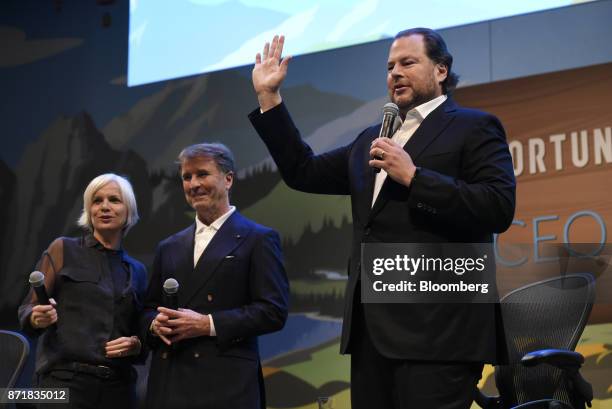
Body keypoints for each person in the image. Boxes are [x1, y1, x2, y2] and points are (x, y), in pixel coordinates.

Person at [249, 29, 516, 409]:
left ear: (441, 70)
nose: (395, 72)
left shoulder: (473, 127)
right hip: (372, 333)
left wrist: (415, 177)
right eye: (390, 66)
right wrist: (269, 97)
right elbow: (302, 171)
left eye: (408, 62)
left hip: (439, 330)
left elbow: (498, 206)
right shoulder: (369, 141)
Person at [142, 143, 289, 409]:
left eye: (202, 174)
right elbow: (148, 309)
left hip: (227, 387)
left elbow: (273, 311)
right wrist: (154, 325)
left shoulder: (258, 239)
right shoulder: (169, 247)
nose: (193, 184)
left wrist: (207, 324)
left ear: (228, 179)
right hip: (170, 384)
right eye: (186, 177)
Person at [18, 173, 148, 409]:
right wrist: (36, 317)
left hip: (118, 389)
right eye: (97, 201)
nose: (104, 207)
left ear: (129, 211)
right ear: (89, 211)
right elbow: (28, 309)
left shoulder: (137, 271)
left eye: (114, 200)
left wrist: (137, 344)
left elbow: (140, 334)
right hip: (63, 384)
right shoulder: (63, 249)